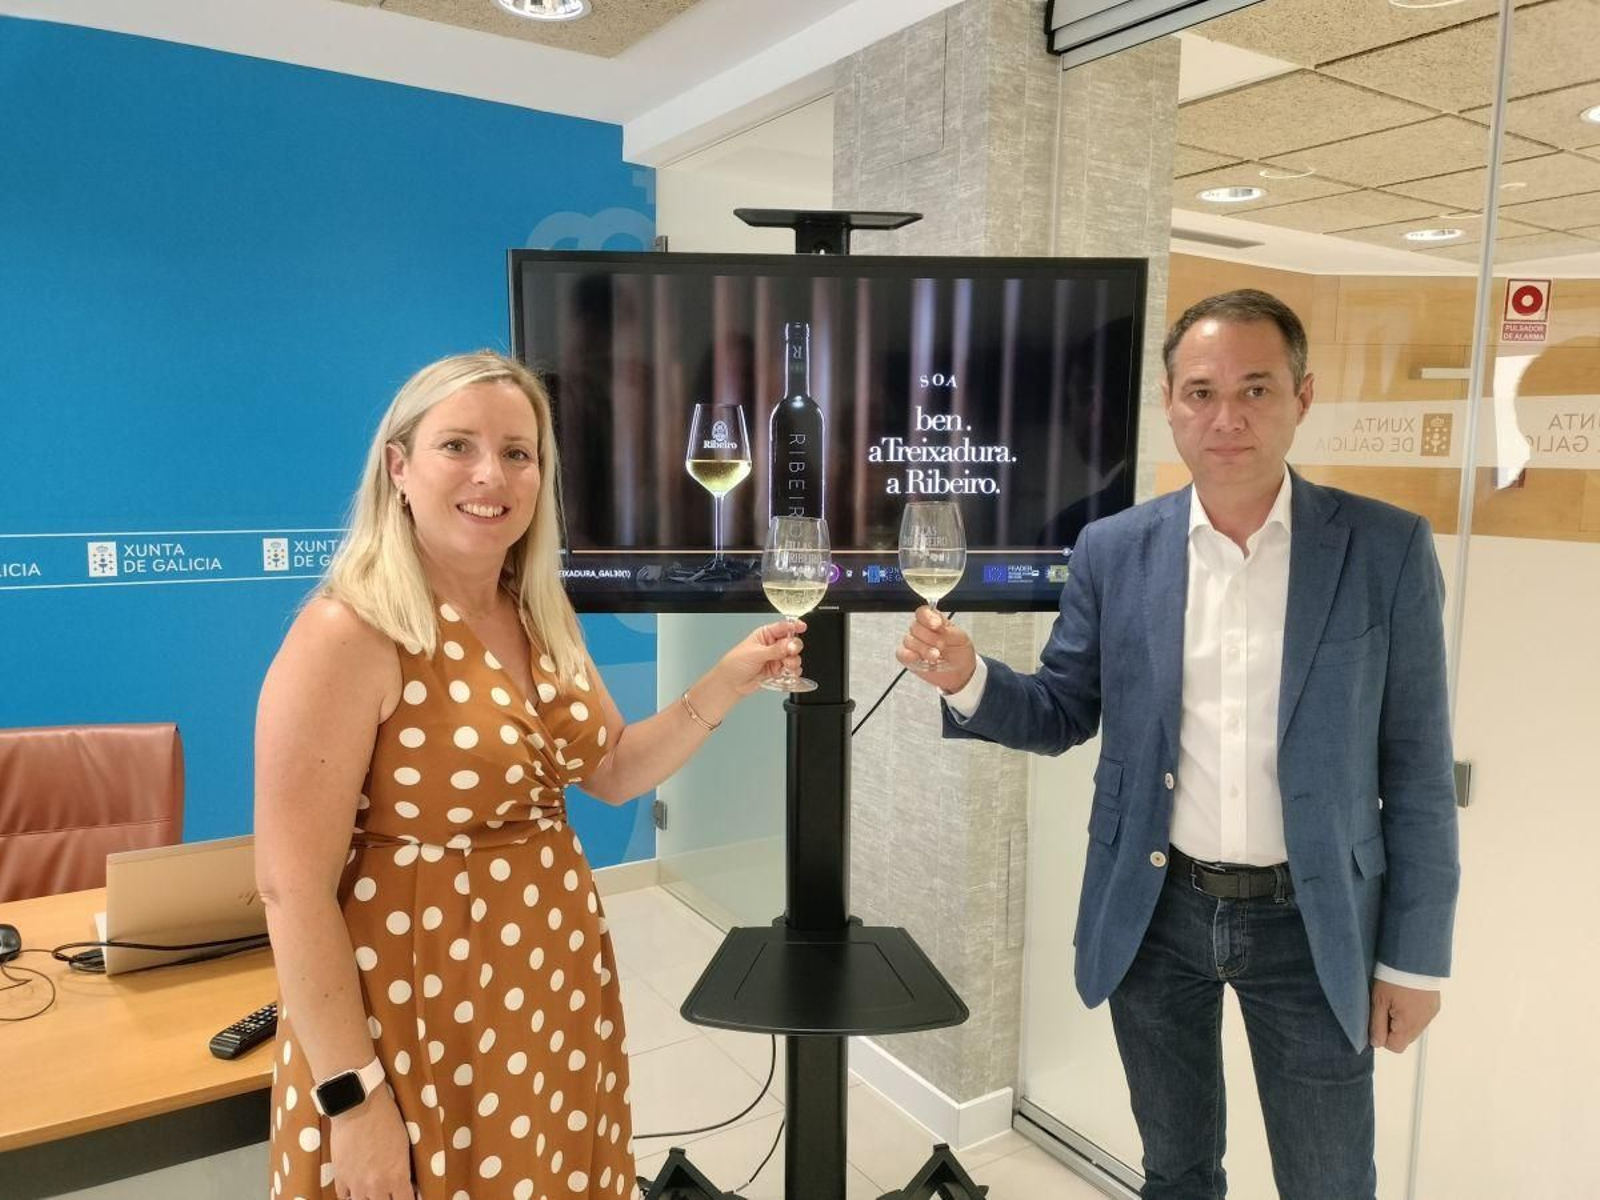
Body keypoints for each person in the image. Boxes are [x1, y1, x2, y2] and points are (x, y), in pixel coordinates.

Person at [899, 290, 1460, 1200]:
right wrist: (970, 678)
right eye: (1201, 392)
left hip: (1314, 923)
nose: (1226, 417)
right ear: (1169, 402)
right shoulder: (1114, 549)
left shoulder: (1384, 549)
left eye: (1255, 389)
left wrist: (1414, 959)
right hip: (1157, 912)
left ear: (1302, 397)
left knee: (1328, 1182)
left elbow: (1420, 773)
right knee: (1177, 1172)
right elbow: (1061, 710)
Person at [255, 351, 803, 1200]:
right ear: (398, 467)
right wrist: (351, 1100)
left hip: (550, 991)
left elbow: (612, 770)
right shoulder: (349, 632)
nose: (492, 475)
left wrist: (726, 681)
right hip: (411, 1015)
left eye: (518, 452)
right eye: (458, 446)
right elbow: (291, 889)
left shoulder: (538, 610)